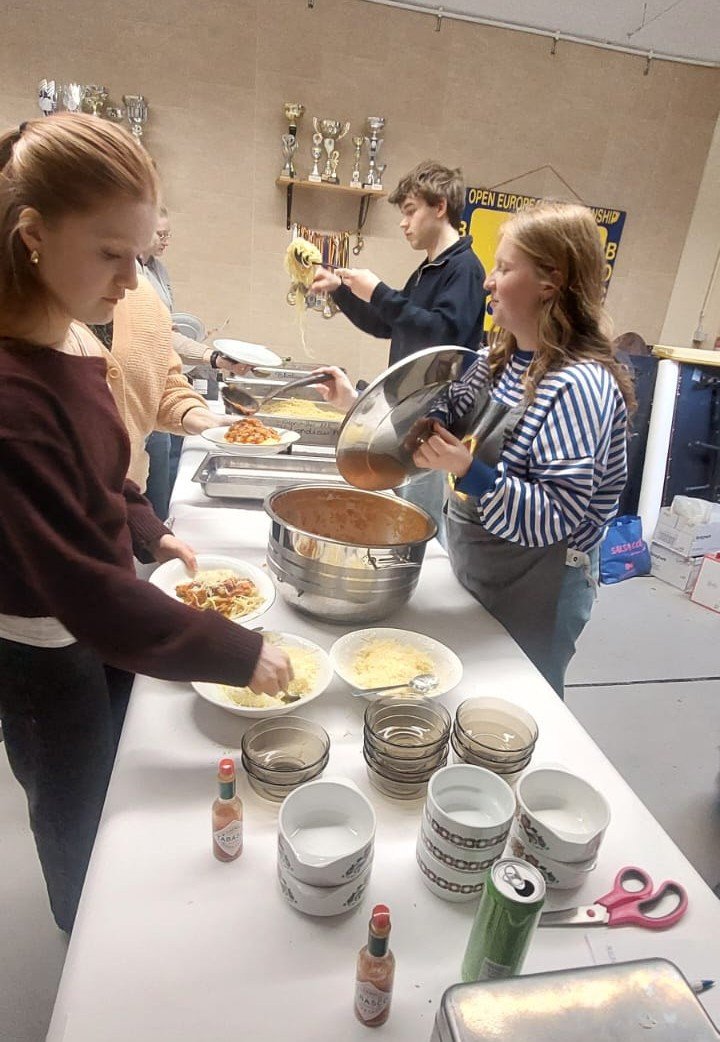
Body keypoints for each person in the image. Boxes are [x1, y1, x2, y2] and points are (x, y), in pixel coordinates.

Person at [0, 113, 291, 932]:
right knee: (76, 809)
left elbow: (99, 469)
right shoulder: (13, 396)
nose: (133, 280)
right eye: (111, 254)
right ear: (33, 235)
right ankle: (83, 945)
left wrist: (142, 522)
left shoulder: (70, 338)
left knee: (118, 777)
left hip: (95, 622)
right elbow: (85, 593)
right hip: (41, 649)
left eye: (140, 254)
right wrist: (239, 652)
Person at [318, 202, 634, 697]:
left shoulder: (580, 387)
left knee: (520, 704)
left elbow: (555, 518)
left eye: (504, 268)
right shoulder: (495, 362)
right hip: (478, 567)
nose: (488, 281)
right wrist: (357, 406)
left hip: (538, 588)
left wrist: (470, 471)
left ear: (550, 282)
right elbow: (430, 426)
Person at [313, 161, 487, 541]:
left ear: (439, 206)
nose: (403, 223)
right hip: (408, 417)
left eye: (410, 211)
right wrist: (340, 291)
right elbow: (388, 324)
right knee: (404, 515)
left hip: (437, 425)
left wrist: (378, 291)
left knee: (423, 524)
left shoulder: (465, 269)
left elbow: (441, 333)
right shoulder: (427, 270)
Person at [87, 274, 236, 519]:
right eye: (110, 255)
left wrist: (194, 414)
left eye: (133, 257)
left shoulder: (143, 296)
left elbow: (163, 381)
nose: (131, 277)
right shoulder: (34, 317)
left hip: (124, 501)